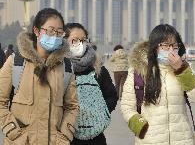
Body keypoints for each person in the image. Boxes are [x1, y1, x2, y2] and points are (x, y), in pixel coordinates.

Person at [0, 8, 79, 144]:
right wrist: (13, 132)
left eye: (59, 32)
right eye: (50, 30)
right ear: (36, 31)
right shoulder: (16, 62)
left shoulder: (66, 67)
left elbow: (72, 106)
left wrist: (64, 136)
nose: (54, 36)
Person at [121, 24, 195, 144]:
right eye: (165, 45)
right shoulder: (139, 72)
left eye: (174, 45)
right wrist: (141, 128)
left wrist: (180, 70)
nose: (171, 50)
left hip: (182, 140)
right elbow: (127, 107)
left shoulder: (185, 68)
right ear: (155, 47)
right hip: (151, 140)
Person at [64, 23, 117, 145]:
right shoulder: (59, 69)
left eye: (83, 40)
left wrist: (100, 112)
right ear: (64, 41)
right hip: (66, 136)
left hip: (95, 136)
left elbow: (111, 95)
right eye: (74, 40)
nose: (80, 44)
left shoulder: (98, 69)